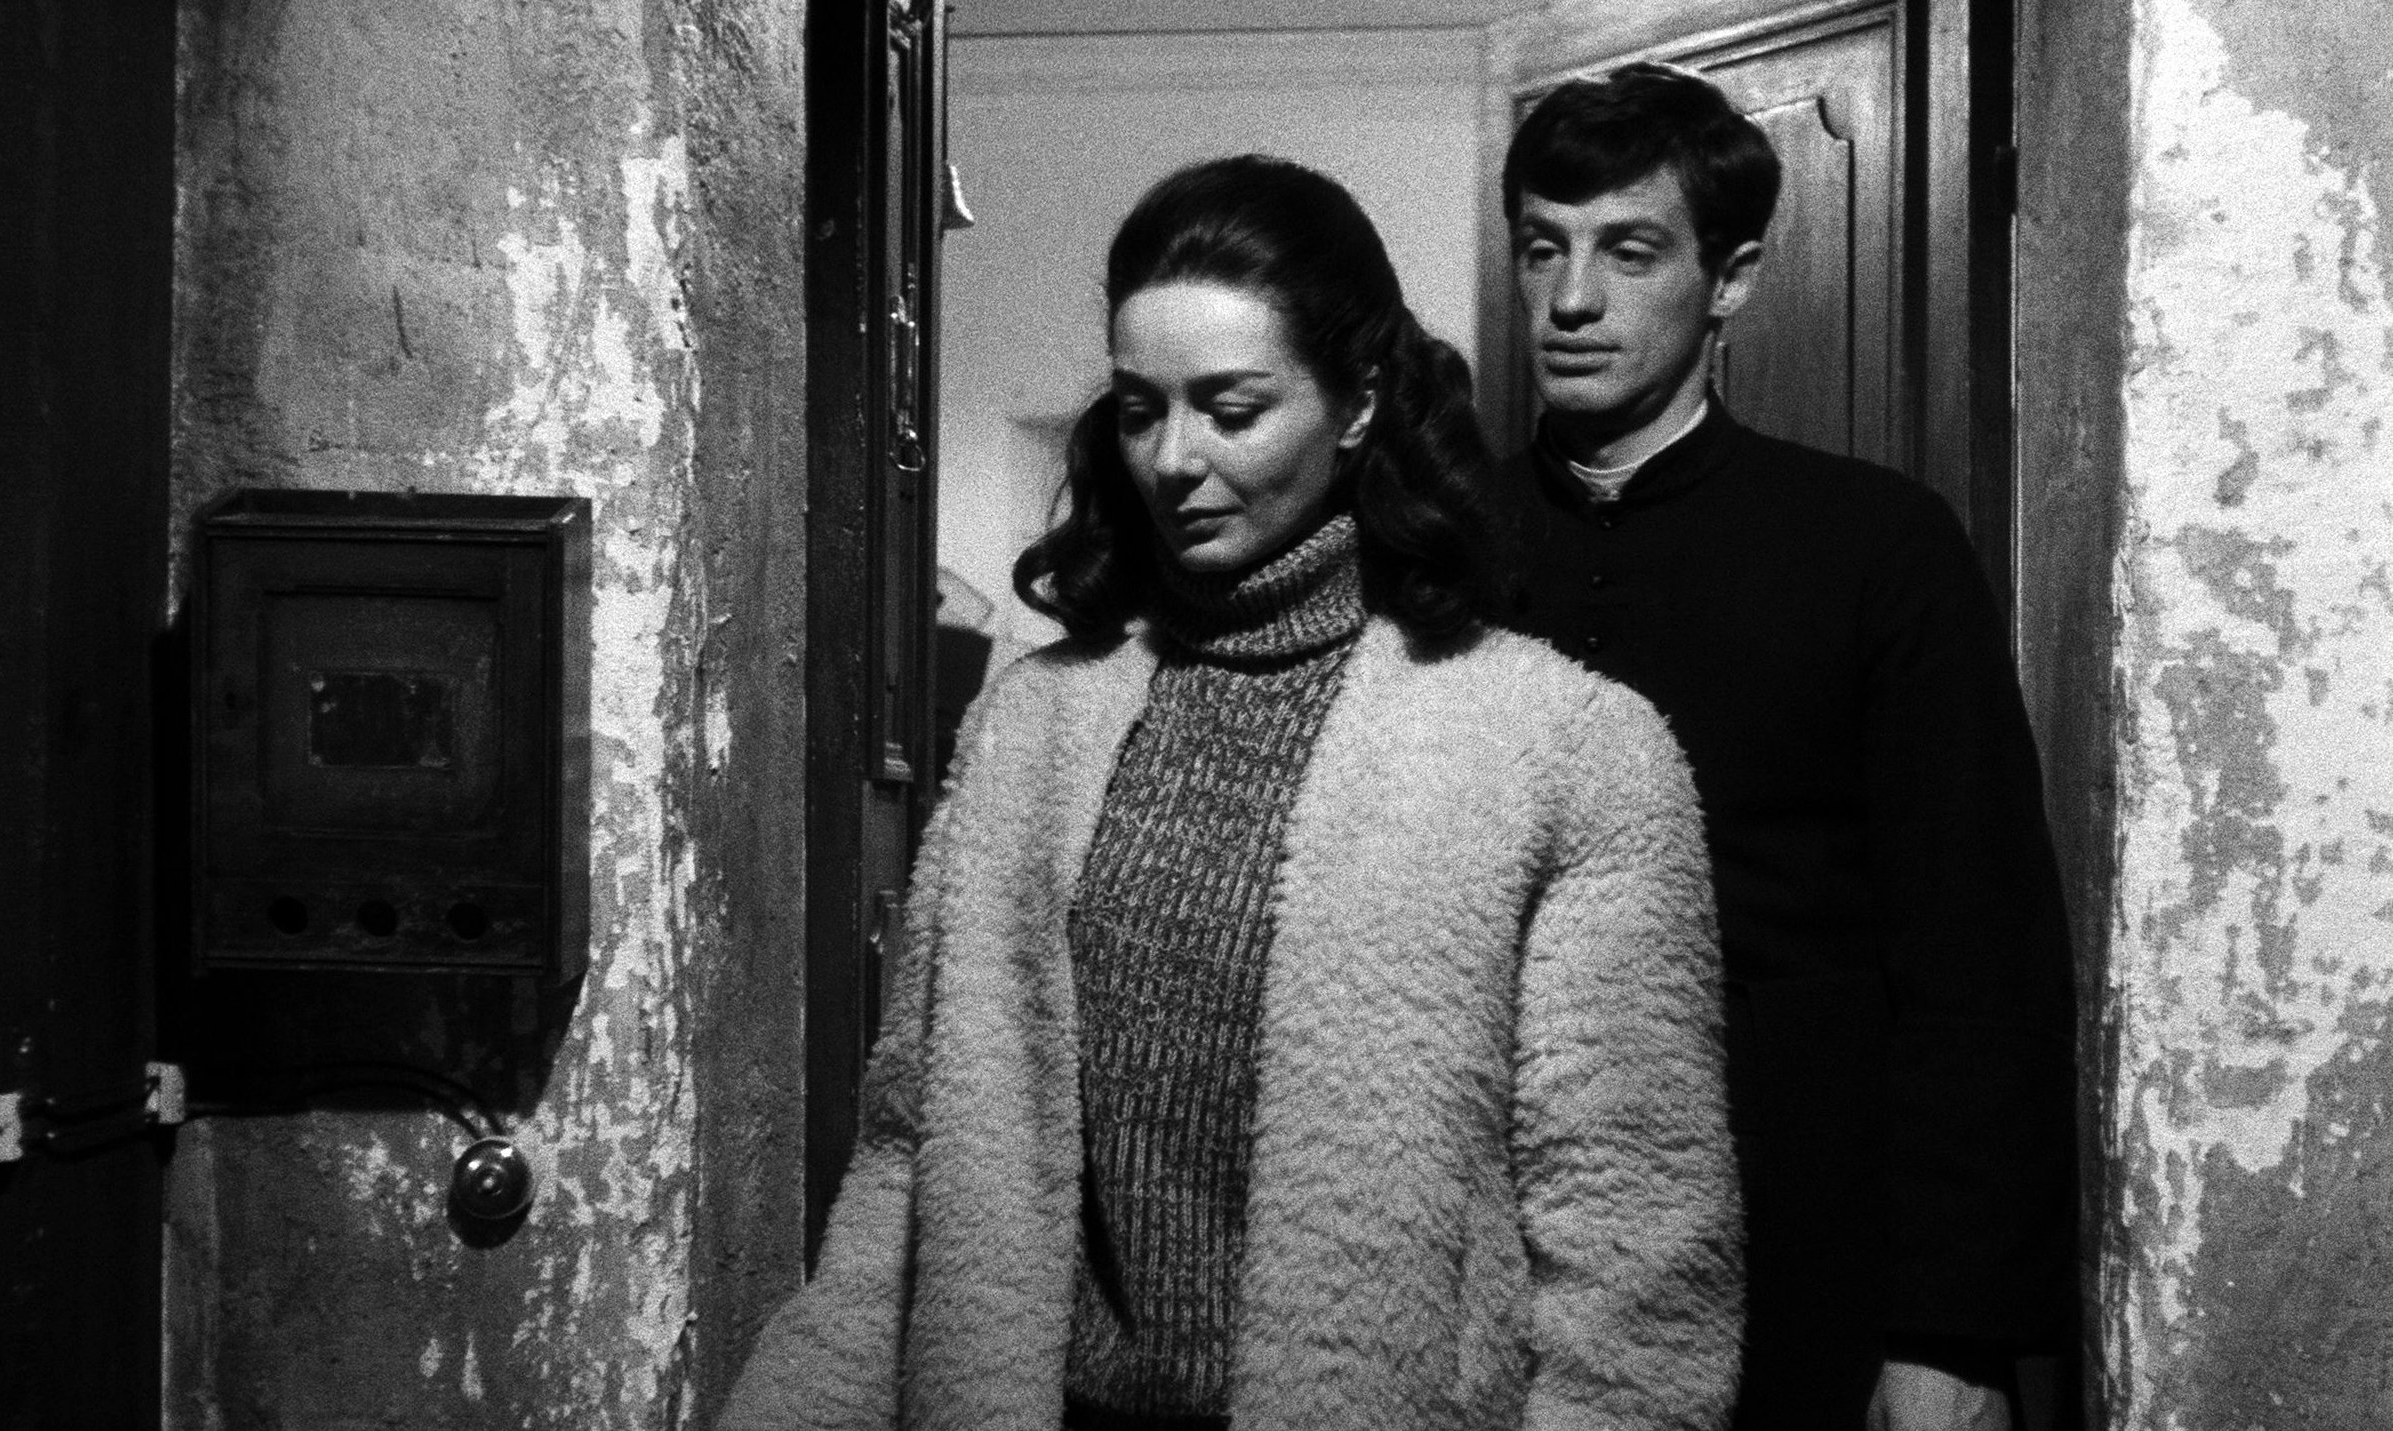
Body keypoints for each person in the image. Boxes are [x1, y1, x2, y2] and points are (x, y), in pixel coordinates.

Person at [721, 154, 1741, 1431]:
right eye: (1139, 409)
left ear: (1359, 403)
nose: (1172, 458)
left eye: (1232, 408)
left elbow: (1633, 1252)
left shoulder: (1564, 747)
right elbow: (910, 1160)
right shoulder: (1034, 725)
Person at [1490, 63, 2077, 1431]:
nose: (1571, 299)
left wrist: (1951, 1332)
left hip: (1802, 1237)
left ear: (1733, 278)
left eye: (1630, 251)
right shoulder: (1436, 547)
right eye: (1542, 248)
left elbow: (1978, 957)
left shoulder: (1875, 545)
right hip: (1499, 1245)